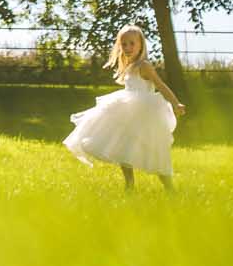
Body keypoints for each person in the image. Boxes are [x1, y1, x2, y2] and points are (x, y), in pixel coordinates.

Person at [63, 24, 186, 191]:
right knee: (123, 145)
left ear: (141, 44)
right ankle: (129, 185)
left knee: (154, 151)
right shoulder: (129, 65)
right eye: (124, 44)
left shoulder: (144, 66)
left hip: (145, 113)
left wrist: (175, 102)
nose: (127, 47)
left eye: (131, 43)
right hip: (127, 111)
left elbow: (160, 85)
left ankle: (169, 187)